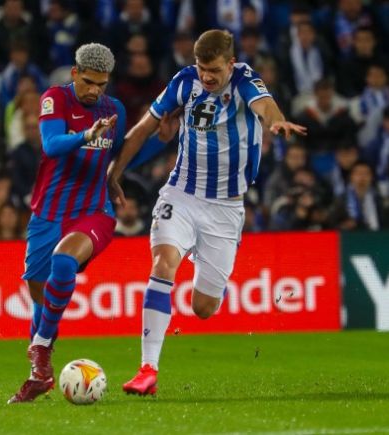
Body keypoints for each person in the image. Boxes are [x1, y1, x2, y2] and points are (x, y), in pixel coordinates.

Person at [107, 29, 306, 396]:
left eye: (214, 70)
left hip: (225, 209)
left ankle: (209, 271)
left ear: (231, 64)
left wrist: (275, 121)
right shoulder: (185, 82)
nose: (207, 76)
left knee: (203, 308)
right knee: (162, 263)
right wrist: (114, 171)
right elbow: (144, 128)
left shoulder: (245, 80)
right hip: (181, 194)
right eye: (202, 68)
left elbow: (265, 105)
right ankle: (147, 369)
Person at [8, 42, 176, 404]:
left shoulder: (113, 109)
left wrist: (160, 141)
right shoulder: (55, 99)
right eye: (88, 82)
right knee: (40, 296)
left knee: (64, 261)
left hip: (94, 210)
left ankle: (40, 348)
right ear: (74, 73)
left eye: (102, 84)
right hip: (48, 213)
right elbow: (51, 145)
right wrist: (87, 135)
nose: (94, 91)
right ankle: (40, 375)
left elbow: (121, 155)